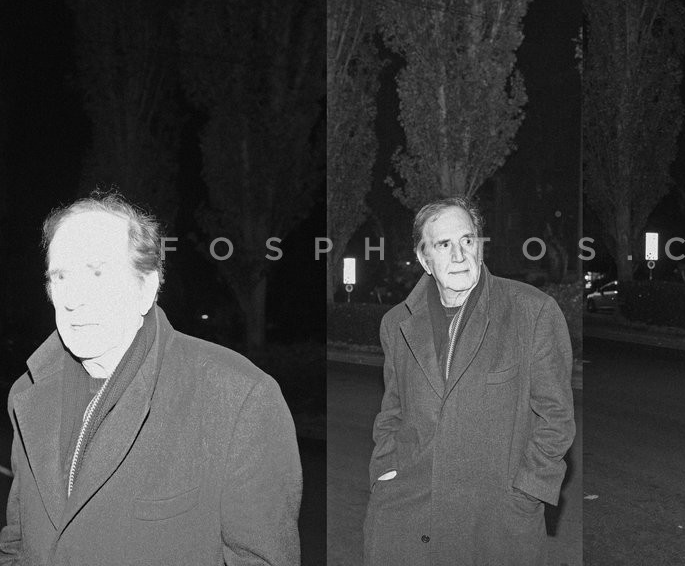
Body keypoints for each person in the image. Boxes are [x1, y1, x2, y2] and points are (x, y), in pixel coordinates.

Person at [0, 193, 302, 565]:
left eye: (97, 273)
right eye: (61, 276)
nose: (73, 298)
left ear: (145, 288)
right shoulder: (27, 394)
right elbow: (16, 545)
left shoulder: (238, 398)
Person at [362, 197, 576, 566]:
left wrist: (527, 491)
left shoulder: (531, 311)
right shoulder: (396, 324)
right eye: (444, 244)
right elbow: (393, 411)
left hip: (494, 522)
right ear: (424, 259)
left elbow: (556, 418)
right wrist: (384, 471)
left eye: (467, 240)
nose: (459, 255)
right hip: (408, 512)